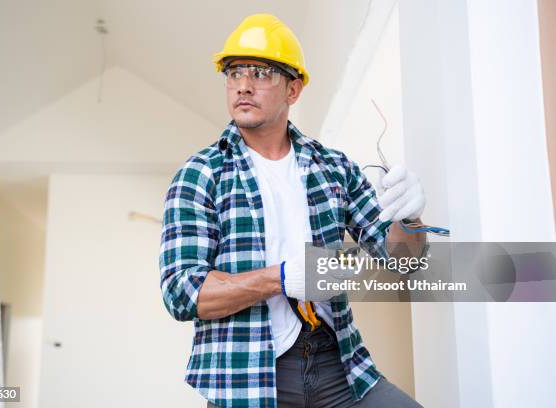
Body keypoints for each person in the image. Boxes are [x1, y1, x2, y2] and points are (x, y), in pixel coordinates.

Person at [160, 13, 426, 408]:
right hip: (247, 378)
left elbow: (406, 263)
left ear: (293, 89)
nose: (243, 86)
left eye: (261, 73)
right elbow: (181, 292)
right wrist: (281, 278)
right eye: (234, 73)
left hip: (339, 365)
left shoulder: (333, 167)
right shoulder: (200, 174)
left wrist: (409, 219)